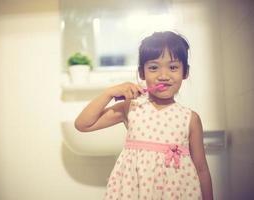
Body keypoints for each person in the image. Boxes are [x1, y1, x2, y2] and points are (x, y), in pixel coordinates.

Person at [74, 31, 213, 200]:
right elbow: (83, 124)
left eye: (173, 67)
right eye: (153, 68)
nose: (163, 76)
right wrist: (109, 93)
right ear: (142, 73)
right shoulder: (131, 108)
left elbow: (201, 169)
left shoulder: (191, 118)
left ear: (185, 72)